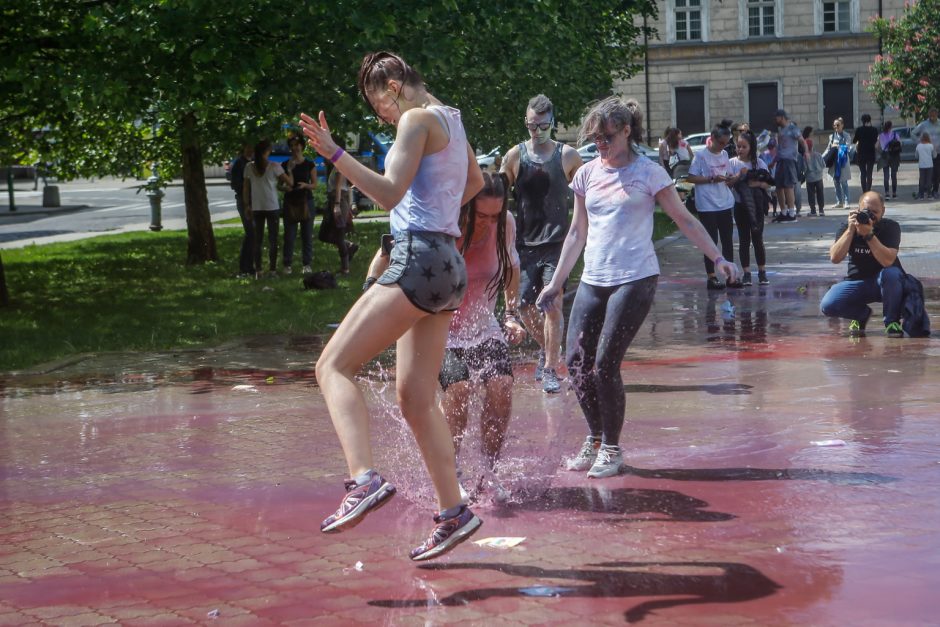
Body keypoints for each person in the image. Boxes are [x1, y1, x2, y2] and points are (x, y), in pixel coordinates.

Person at [299, 51, 485, 561]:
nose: (380, 113)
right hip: (448, 264)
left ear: (396, 83)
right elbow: (474, 184)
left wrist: (335, 154)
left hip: (418, 259)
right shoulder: (453, 119)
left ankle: (363, 480)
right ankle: (455, 512)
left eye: (377, 100)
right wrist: (431, 207)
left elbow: (385, 193)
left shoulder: (416, 119)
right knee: (416, 398)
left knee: (332, 366)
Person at [535, 96, 738, 478]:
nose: (601, 145)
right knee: (576, 363)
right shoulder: (587, 174)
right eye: (596, 139)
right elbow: (577, 232)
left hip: (635, 278)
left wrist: (718, 258)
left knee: (604, 365)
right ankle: (595, 438)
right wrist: (557, 283)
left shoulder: (649, 173)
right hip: (594, 279)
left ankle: (612, 447)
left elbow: (684, 220)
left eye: (608, 137)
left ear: (627, 131)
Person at [440, 172, 525, 497]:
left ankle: (489, 471)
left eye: (495, 215)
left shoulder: (505, 225)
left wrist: (511, 315)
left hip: (481, 323)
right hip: (440, 328)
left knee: (502, 387)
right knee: (459, 390)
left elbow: (512, 267)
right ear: (465, 206)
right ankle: (452, 473)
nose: (489, 223)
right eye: (481, 215)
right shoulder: (446, 227)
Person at [501, 94, 583, 394]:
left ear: (553, 123)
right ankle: (546, 349)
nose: (536, 132)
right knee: (523, 307)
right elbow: (498, 197)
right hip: (523, 244)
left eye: (542, 126)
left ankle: (550, 368)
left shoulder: (568, 156)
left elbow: (585, 196)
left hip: (557, 244)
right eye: (531, 126)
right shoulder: (514, 156)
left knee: (552, 305)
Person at [820, 191, 905, 338]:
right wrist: (851, 230)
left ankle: (892, 322)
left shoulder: (890, 227)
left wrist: (869, 235)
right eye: (866, 211)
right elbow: (835, 257)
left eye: (875, 212)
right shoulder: (848, 227)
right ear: (858, 210)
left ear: (883, 211)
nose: (870, 216)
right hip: (858, 282)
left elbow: (888, 261)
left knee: (892, 274)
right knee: (828, 305)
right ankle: (860, 315)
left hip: (886, 284)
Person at [687, 124, 743, 290]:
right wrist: (711, 179)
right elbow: (691, 178)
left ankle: (730, 276)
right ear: (712, 138)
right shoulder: (701, 156)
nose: (723, 146)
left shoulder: (725, 154)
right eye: (720, 142)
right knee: (710, 241)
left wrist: (731, 178)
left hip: (724, 202)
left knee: (727, 241)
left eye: (726, 143)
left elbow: (725, 175)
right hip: (707, 205)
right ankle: (711, 277)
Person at [729, 131, 771, 286]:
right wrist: (739, 176)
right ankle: (746, 273)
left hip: (757, 208)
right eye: (738, 146)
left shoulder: (759, 163)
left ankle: (762, 272)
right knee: (744, 240)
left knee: (757, 238)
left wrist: (758, 184)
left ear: (751, 147)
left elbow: (769, 184)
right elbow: (727, 183)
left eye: (743, 146)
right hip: (740, 206)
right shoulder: (732, 163)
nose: (740, 149)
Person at [244, 139, 291, 277]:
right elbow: (289, 182)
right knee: (273, 240)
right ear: (267, 152)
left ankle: (258, 270)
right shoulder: (274, 166)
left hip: (257, 207)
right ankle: (272, 270)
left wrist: (247, 205)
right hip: (272, 206)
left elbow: (246, 189)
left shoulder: (248, 167)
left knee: (257, 240)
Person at [282, 135, 317, 275]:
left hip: (306, 201)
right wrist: (284, 187)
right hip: (290, 202)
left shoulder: (309, 164)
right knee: (289, 235)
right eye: (292, 145)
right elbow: (279, 184)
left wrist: (306, 185)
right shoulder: (284, 165)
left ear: (302, 146)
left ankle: (307, 264)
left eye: (297, 145)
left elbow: (315, 184)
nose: (295, 148)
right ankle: (287, 265)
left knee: (307, 235)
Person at [323, 146, 360, 274]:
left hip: (337, 200)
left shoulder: (339, 166)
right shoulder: (335, 167)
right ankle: (350, 245)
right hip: (335, 200)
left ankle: (345, 268)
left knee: (339, 235)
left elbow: (339, 187)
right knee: (324, 235)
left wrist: (337, 205)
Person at [772, 109, 807, 222]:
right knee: (778, 187)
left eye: (776, 117)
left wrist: (806, 152)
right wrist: (773, 161)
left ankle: (791, 214)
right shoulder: (781, 130)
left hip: (789, 160)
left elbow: (802, 140)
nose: (775, 120)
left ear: (781, 117)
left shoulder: (792, 128)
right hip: (781, 160)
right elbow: (780, 148)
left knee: (788, 186)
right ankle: (783, 212)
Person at [230, 143, 255, 277]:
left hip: (253, 201)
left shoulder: (251, 163)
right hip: (244, 201)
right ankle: (245, 266)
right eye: (248, 147)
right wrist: (247, 189)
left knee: (253, 234)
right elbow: (235, 184)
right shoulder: (240, 164)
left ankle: (249, 266)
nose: (250, 150)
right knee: (251, 233)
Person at [912, 108, 940, 199]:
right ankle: (924, 191)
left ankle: (935, 190)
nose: (932, 118)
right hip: (927, 153)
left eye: (934, 116)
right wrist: (919, 143)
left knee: (937, 173)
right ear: (928, 116)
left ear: (937, 115)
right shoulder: (924, 125)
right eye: (931, 116)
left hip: (938, 152)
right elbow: (913, 133)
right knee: (925, 173)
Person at [852, 114, 879, 194]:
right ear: (870, 120)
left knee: (863, 173)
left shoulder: (859, 130)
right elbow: (876, 141)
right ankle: (868, 190)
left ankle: (864, 191)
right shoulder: (874, 130)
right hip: (871, 153)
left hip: (861, 153)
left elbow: (854, 141)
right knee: (869, 173)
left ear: (862, 121)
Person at [878, 120, 902, 199]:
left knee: (886, 176)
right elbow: (900, 144)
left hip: (885, 155)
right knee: (894, 175)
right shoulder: (895, 135)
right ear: (891, 126)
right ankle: (894, 193)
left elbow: (877, 146)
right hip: (894, 156)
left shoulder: (881, 135)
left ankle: (887, 193)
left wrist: (881, 153)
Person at [804, 139, 826, 217]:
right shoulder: (818, 154)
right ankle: (821, 210)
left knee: (811, 195)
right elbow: (824, 165)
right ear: (812, 146)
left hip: (809, 178)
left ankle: (813, 210)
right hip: (819, 177)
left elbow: (804, 168)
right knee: (820, 193)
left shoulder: (805, 156)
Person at [915, 133, 937, 200]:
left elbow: (916, 156)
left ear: (921, 138)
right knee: (929, 180)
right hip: (929, 165)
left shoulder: (918, 146)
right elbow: (934, 155)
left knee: (922, 180)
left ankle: (921, 195)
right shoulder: (931, 146)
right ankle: (929, 195)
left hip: (921, 165)